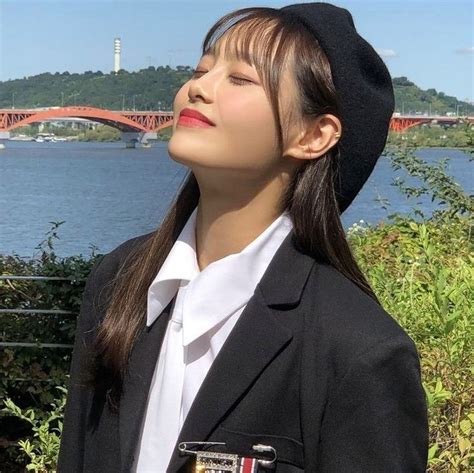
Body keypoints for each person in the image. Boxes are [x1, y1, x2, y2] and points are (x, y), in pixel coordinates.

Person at [57, 3, 429, 472]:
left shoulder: (358, 350)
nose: (198, 87)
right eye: (202, 68)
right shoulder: (118, 282)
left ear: (314, 136)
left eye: (240, 79)